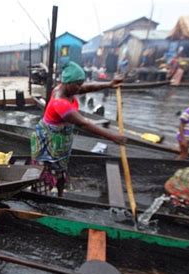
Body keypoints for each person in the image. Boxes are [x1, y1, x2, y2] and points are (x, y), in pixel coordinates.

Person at [31, 61, 127, 197]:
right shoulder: (60, 102)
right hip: (49, 141)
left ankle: (59, 195)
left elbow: (87, 87)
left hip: (60, 140)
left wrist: (110, 84)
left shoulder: (66, 88)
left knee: (61, 169)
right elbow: (84, 123)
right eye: (77, 84)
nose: (80, 87)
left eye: (80, 83)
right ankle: (41, 199)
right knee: (46, 172)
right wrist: (113, 136)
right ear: (68, 83)